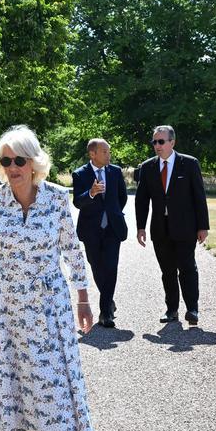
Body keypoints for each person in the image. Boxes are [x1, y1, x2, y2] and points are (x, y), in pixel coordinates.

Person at [0, 125, 94, 431]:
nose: (12, 167)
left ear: (35, 162)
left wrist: (84, 299)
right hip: (4, 310)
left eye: (19, 160)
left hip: (48, 308)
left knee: (52, 387)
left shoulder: (57, 198)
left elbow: (72, 250)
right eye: (5, 161)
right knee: (20, 386)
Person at [134, 125, 209, 325]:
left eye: (161, 141)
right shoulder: (147, 167)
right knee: (167, 270)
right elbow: (141, 200)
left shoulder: (190, 164)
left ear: (172, 142)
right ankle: (171, 310)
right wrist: (140, 227)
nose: (157, 146)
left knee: (187, 267)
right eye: (154, 142)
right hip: (160, 228)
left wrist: (203, 226)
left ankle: (192, 309)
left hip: (185, 227)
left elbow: (199, 197)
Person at [72, 138, 128, 328]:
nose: (108, 154)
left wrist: (112, 214)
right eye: (104, 151)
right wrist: (91, 193)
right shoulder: (80, 174)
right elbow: (78, 202)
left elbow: (122, 197)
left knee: (111, 267)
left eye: (109, 151)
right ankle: (108, 299)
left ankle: (105, 313)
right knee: (97, 267)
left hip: (113, 228)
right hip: (90, 230)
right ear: (92, 154)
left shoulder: (116, 171)